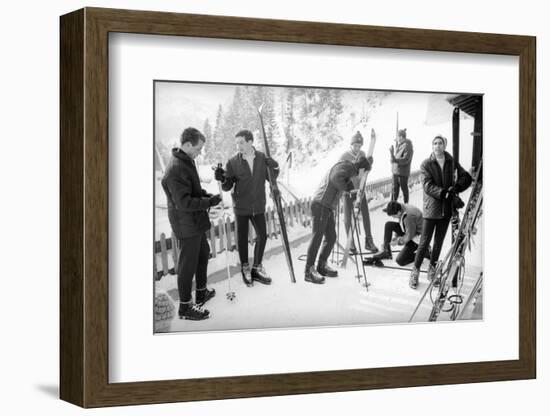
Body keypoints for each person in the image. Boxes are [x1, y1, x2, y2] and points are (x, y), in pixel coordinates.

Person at [161, 127, 222, 320]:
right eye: (198, 148)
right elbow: (184, 202)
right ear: (187, 144)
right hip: (186, 223)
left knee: (203, 254)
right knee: (188, 265)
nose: (200, 152)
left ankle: (201, 292)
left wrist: (207, 195)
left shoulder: (187, 162)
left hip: (194, 221)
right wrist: (208, 202)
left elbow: (192, 191)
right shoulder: (176, 169)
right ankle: (185, 307)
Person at [214, 129, 280, 287]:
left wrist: (275, 167)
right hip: (241, 207)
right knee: (242, 239)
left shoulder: (262, 158)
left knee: (262, 236)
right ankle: (245, 267)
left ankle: (256, 267)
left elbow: (271, 177)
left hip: (258, 205)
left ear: (250, 142)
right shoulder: (233, 162)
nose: (238, 146)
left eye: (241, 142)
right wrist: (222, 178)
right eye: (236, 143)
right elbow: (227, 185)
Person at [409, 135, 472, 289]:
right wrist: (446, 194)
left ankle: (432, 271)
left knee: (438, 242)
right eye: (434, 143)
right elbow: (427, 186)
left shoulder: (451, 161)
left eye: (440, 143)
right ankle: (415, 272)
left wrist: (456, 188)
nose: (437, 146)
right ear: (432, 146)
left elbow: (466, 177)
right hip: (431, 209)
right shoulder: (426, 164)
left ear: (445, 145)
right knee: (424, 242)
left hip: (446, 210)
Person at [305, 156, 373, 284]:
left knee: (331, 237)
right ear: (362, 168)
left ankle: (321, 265)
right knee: (317, 237)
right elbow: (335, 178)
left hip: (327, 207)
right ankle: (308, 271)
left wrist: (349, 187)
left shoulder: (349, 169)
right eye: (365, 172)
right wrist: (347, 186)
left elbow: (340, 181)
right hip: (320, 204)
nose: (363, 175)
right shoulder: (348, 167)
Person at [339, 130, 378, 254]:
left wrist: (368, 167)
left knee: (366, 215)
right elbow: (340, 174)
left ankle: (369, 240)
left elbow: (362, 174)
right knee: (347, 218)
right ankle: (351, 243)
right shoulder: (344, 156)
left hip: (359, 190)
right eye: (355, 145)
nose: (357, 148)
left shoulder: (362, 154)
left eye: (359, 146)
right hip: (347, 192)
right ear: (351, 145)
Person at [368, 201, 428, 267]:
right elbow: (402, 223)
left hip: (418, 237)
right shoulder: (400, 207)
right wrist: (396, 236)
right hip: (412, 228)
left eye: (393, 215)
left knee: (400, 260)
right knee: (389, 225)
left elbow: (409, 235)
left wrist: (397, 241)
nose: (393, 217)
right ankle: (386, 252)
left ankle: (423, 254)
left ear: (399, 212)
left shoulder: (408, 217)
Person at [390, 128, 414, 203]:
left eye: (398, 137)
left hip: (402, 173)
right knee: (394, 189)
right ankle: (393, 206)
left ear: (401, 137)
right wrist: (392, 156)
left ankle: (406, 205)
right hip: (395, 171)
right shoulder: (399, 145)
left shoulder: (408, 146)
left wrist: (395, 159)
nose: (397, 139)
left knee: (404, 190)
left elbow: (406, 159)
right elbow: (395, 159)